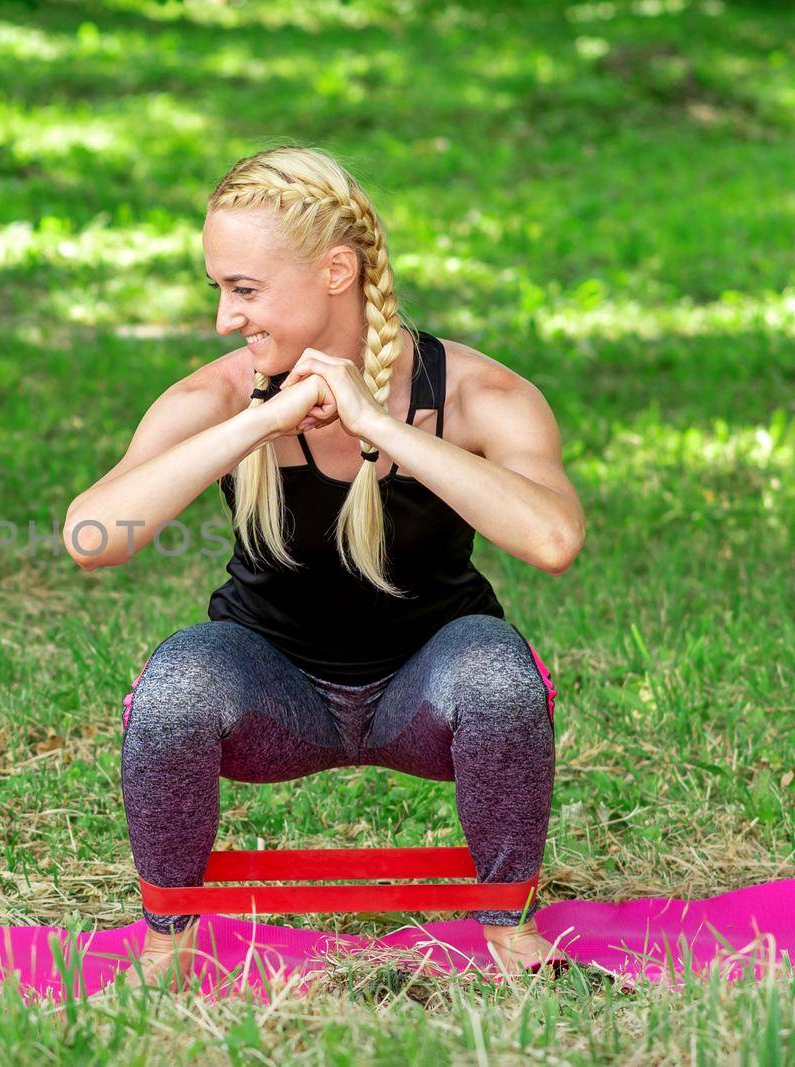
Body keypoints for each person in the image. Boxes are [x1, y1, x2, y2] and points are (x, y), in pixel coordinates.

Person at [64, 145, 583, 985]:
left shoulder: (477, 395)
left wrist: (384, 427)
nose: (225, 319)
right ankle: (167, 943)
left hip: (429, 687)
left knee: (499, 668)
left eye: (244, 289)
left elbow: (553, 540)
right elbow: (90, 539)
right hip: (274, 693)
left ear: (336, 271)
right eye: (219, 290)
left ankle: (510, 926)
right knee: (174, 682)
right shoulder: (217, 399)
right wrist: (253, 428)